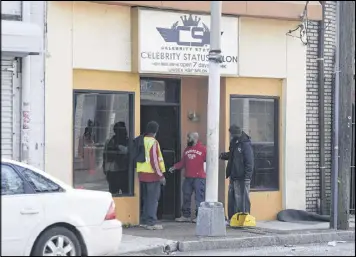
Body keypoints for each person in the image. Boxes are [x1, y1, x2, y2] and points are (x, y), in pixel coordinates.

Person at [219, 125, 254, 224]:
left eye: (232, 134)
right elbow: (232, 155)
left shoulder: (245, 144)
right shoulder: (234, 142)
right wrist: (224, 155)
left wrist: (248, 177)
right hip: (234, 175)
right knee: (232, 198)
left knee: (241, 198)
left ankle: (243, 219)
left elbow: (249, 161)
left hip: (242, 177)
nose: (231, 135)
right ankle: (232, 219)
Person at [169, 132, 206, 223]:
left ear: (195, 138)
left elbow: (208, 162)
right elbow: (183, 162)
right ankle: (186, 215)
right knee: (186, 196)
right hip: (188, 177)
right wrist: (174, 167)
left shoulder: (203, 149)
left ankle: (199, 216)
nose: (187, 140)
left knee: (199, 198)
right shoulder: (186, 150)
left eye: (189, 138)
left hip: (199, 177)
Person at [136, 121, 166, 230]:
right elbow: (154, 160)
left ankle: (144, 220)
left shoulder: (141, 140)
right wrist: (160, 176)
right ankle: (151, 222)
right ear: (155, 131)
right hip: (152, 175)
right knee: (153, 199)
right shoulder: (153, 142)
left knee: (146, 198)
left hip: (141, 174)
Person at [103, 122, 129, 196]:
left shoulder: (110, 142)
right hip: (122, 172)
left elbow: (105, 157)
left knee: (114, 194)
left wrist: (105, 169)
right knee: (125, 194)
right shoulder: (126, 142)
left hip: (113, 172)